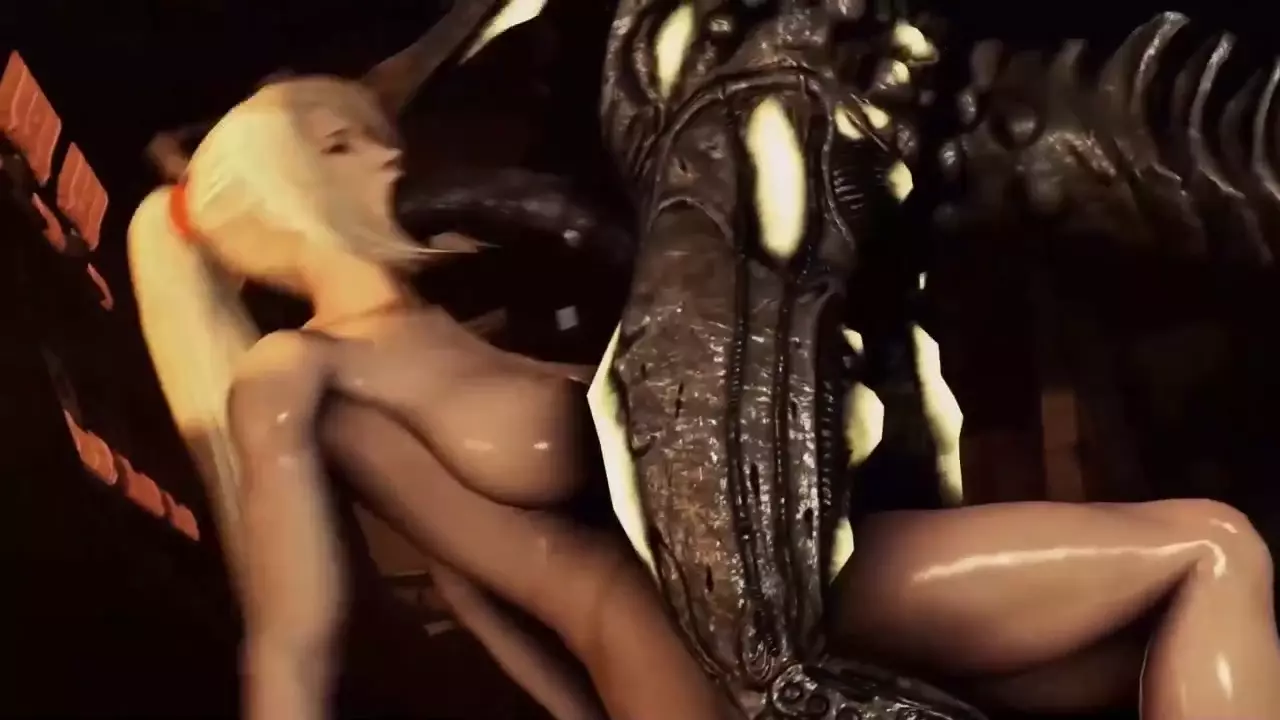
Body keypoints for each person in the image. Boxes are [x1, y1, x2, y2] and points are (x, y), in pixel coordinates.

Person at [128, 75, 729, 720]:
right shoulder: (297, 366)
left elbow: (472, 594)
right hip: (674, 665)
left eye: (370, 135)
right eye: (340, 146)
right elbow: (290, 652)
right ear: (283, 191)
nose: (388, 153)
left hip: (739, 618)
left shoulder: (439, 326)